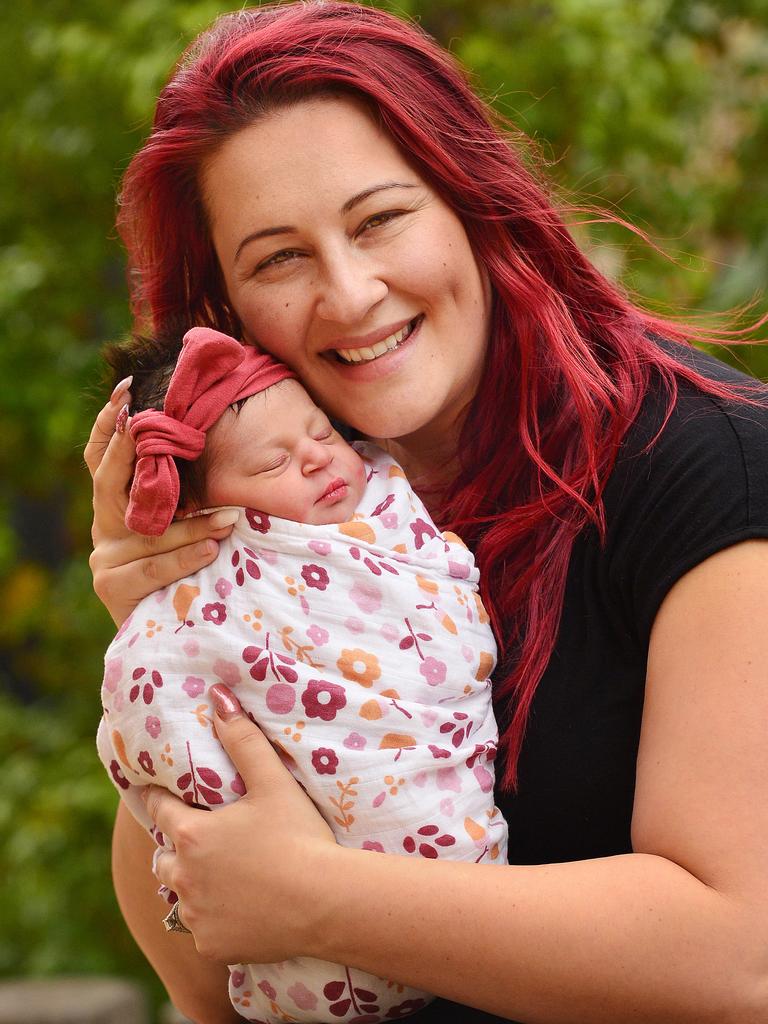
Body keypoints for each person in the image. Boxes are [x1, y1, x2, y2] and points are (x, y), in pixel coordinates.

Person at [83, 4, 768, 1023]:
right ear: (222, 316)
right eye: (280, 258)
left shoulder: (702, 460)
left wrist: (320, 900)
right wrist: (173, 637)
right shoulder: (286, 523)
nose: (353, 294)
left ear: (472, 203)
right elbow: (204, 977)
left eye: (380, 220)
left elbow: (738, 954)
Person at [97, 324, 504, 1023]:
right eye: (271, 465)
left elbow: (442, 603)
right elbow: (158, 712)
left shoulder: (391, 505)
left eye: (322, 432)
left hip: (465, 897)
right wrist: (145, 620)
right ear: (202, 515)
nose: (319, 460)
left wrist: (311, 887)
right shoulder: (210, 589)